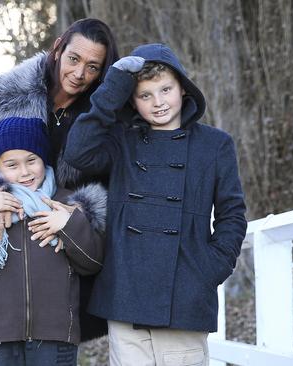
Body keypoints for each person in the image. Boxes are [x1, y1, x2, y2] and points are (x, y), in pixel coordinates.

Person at [63, 43, 248, 366]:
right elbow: (78, 152)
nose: (158, 102)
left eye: (165, 89)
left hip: (184, 295)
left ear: (183, 89)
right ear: (132, 100)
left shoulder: (215, 144)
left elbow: (232, 214)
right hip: (126, 296)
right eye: (145, 95)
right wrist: (112, 88)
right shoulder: (123, 141)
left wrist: (211, 268)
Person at [0, 18, 119, 340]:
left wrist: (80, 210)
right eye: (74, 59)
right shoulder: (5, 90)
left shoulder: (100, 117)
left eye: (93, 67)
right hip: (6, 239)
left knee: (54, 343)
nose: (80, 73)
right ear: (58, 49)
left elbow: (108, 180)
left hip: (60, 247)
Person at [0, 116, 106, 366]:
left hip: (56, 335)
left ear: (44, 159)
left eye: (32, 160)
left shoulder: (66, 204)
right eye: (12, 164)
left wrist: (68, 224)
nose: (24, 172)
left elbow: (92, 262)